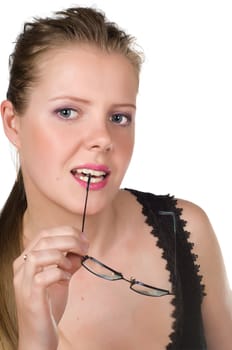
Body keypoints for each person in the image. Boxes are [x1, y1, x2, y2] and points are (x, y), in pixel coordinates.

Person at [0, 6, 231, 350]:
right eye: (67, 112)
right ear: (13, 123)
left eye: (119, 117)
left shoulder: (186, 231)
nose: (103, 138)